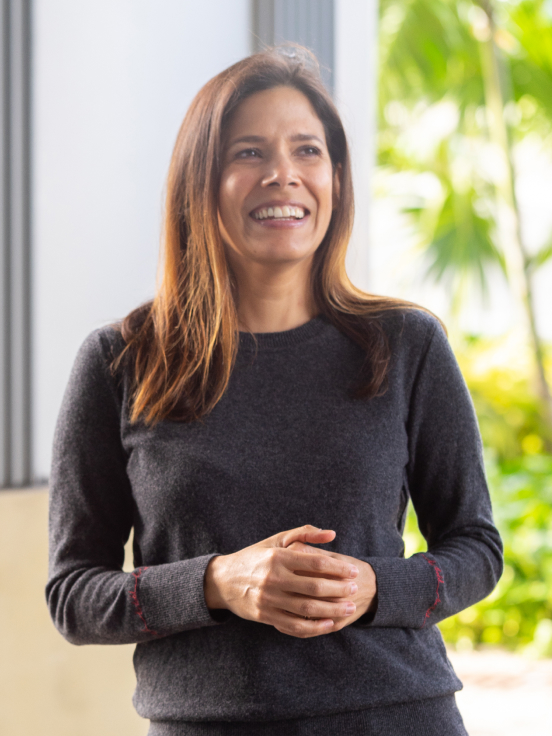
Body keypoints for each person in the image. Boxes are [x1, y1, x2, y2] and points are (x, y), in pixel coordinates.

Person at [46, 46, 503, 736]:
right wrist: (217, 583)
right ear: (200, 182)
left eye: (308, 151)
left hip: (398, 717)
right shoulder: (120, 362)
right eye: (249, 153)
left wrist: (379, 586)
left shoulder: (407, 345)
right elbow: (74, 595)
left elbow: (475, 547)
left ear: (337, 179)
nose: (283, 175)